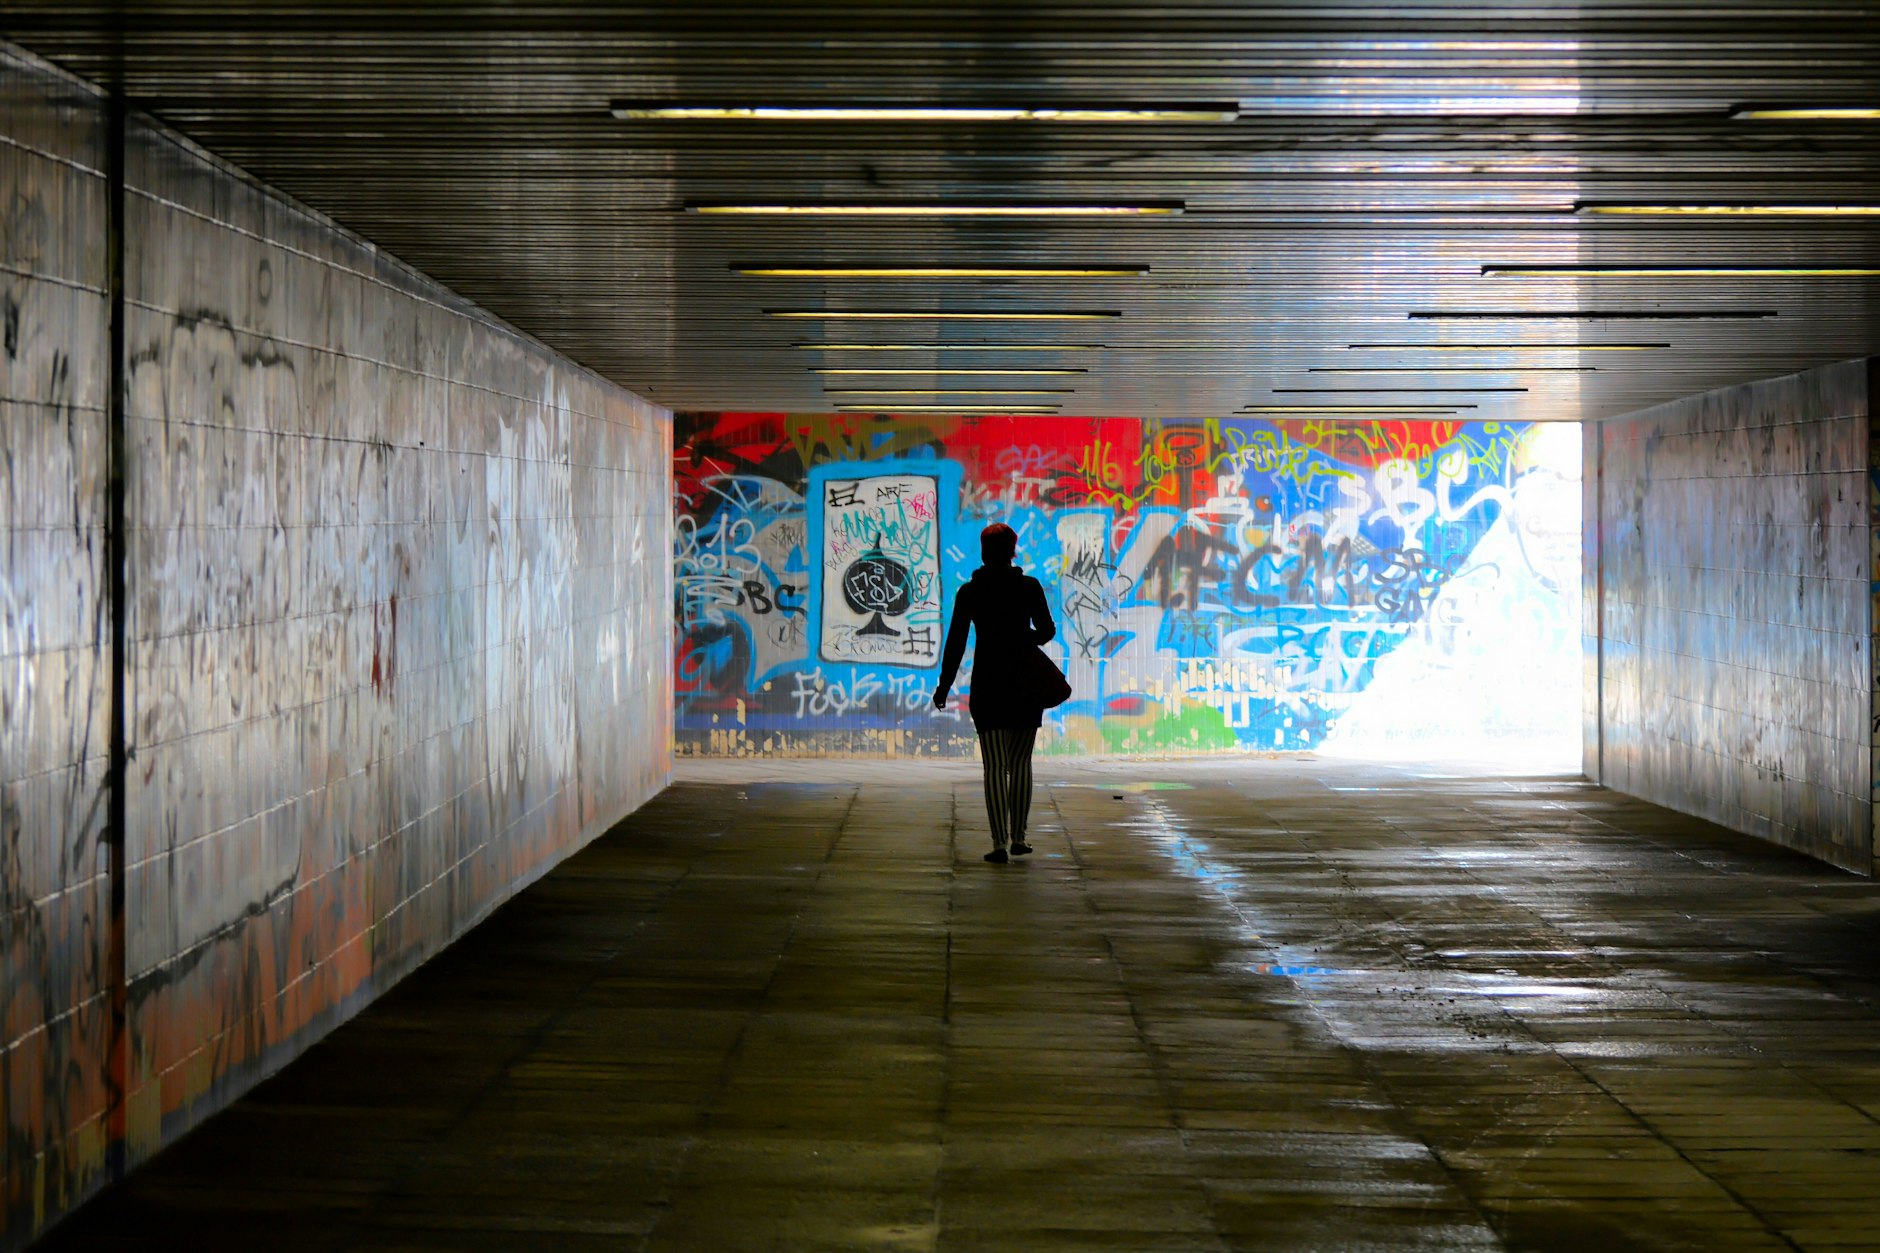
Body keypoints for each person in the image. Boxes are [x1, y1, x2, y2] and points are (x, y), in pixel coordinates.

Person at [933, 522, 1058, 864]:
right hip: (1025, 682)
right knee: (1019, 763)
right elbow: (1047, 630)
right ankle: (1019, 837)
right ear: (1012, 550)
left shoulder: (970, 592)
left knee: (994, 765)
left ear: (984, 551)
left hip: (987, 684)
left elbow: (956, 642)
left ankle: (999, 843)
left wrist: (944, 686)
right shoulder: (1029, 587)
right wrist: (1023, 639)